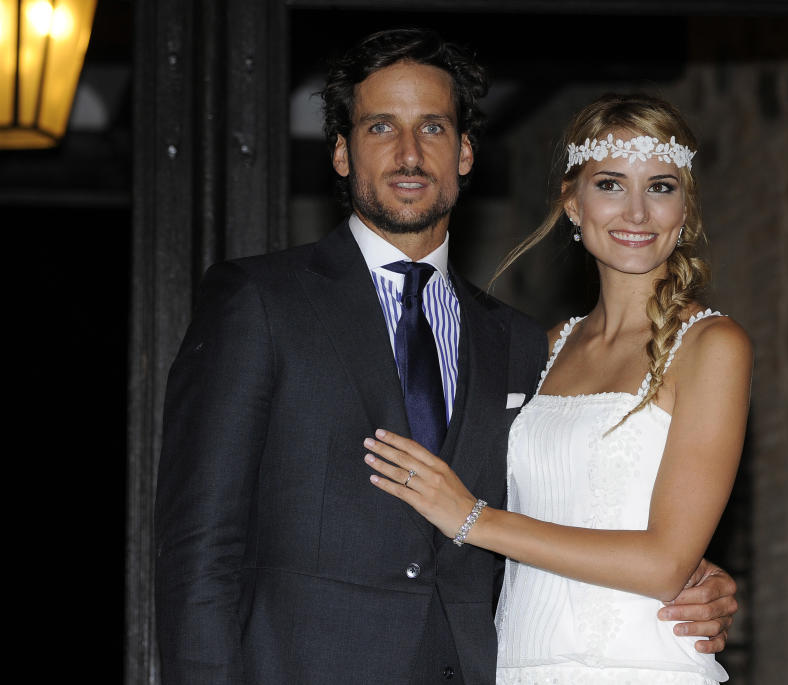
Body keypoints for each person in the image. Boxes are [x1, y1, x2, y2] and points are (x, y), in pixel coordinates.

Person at [155, 28, 738, 685]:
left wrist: (691, 574)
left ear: (464, 151)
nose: (409, 153)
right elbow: (198, 545)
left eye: (432, 127)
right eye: (381, 127)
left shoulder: (519, 343)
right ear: (342, 153)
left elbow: (560, 507)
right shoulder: (259, 301)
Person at [363, 92, 753, 684]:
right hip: (516, 665)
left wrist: (472, 517)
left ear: (686, 207)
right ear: (573, 202)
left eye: (662, 186)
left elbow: (664, 563)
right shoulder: (539, 350)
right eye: (611, 185)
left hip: (639, 668)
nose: (638, 213)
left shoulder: (712, 347)